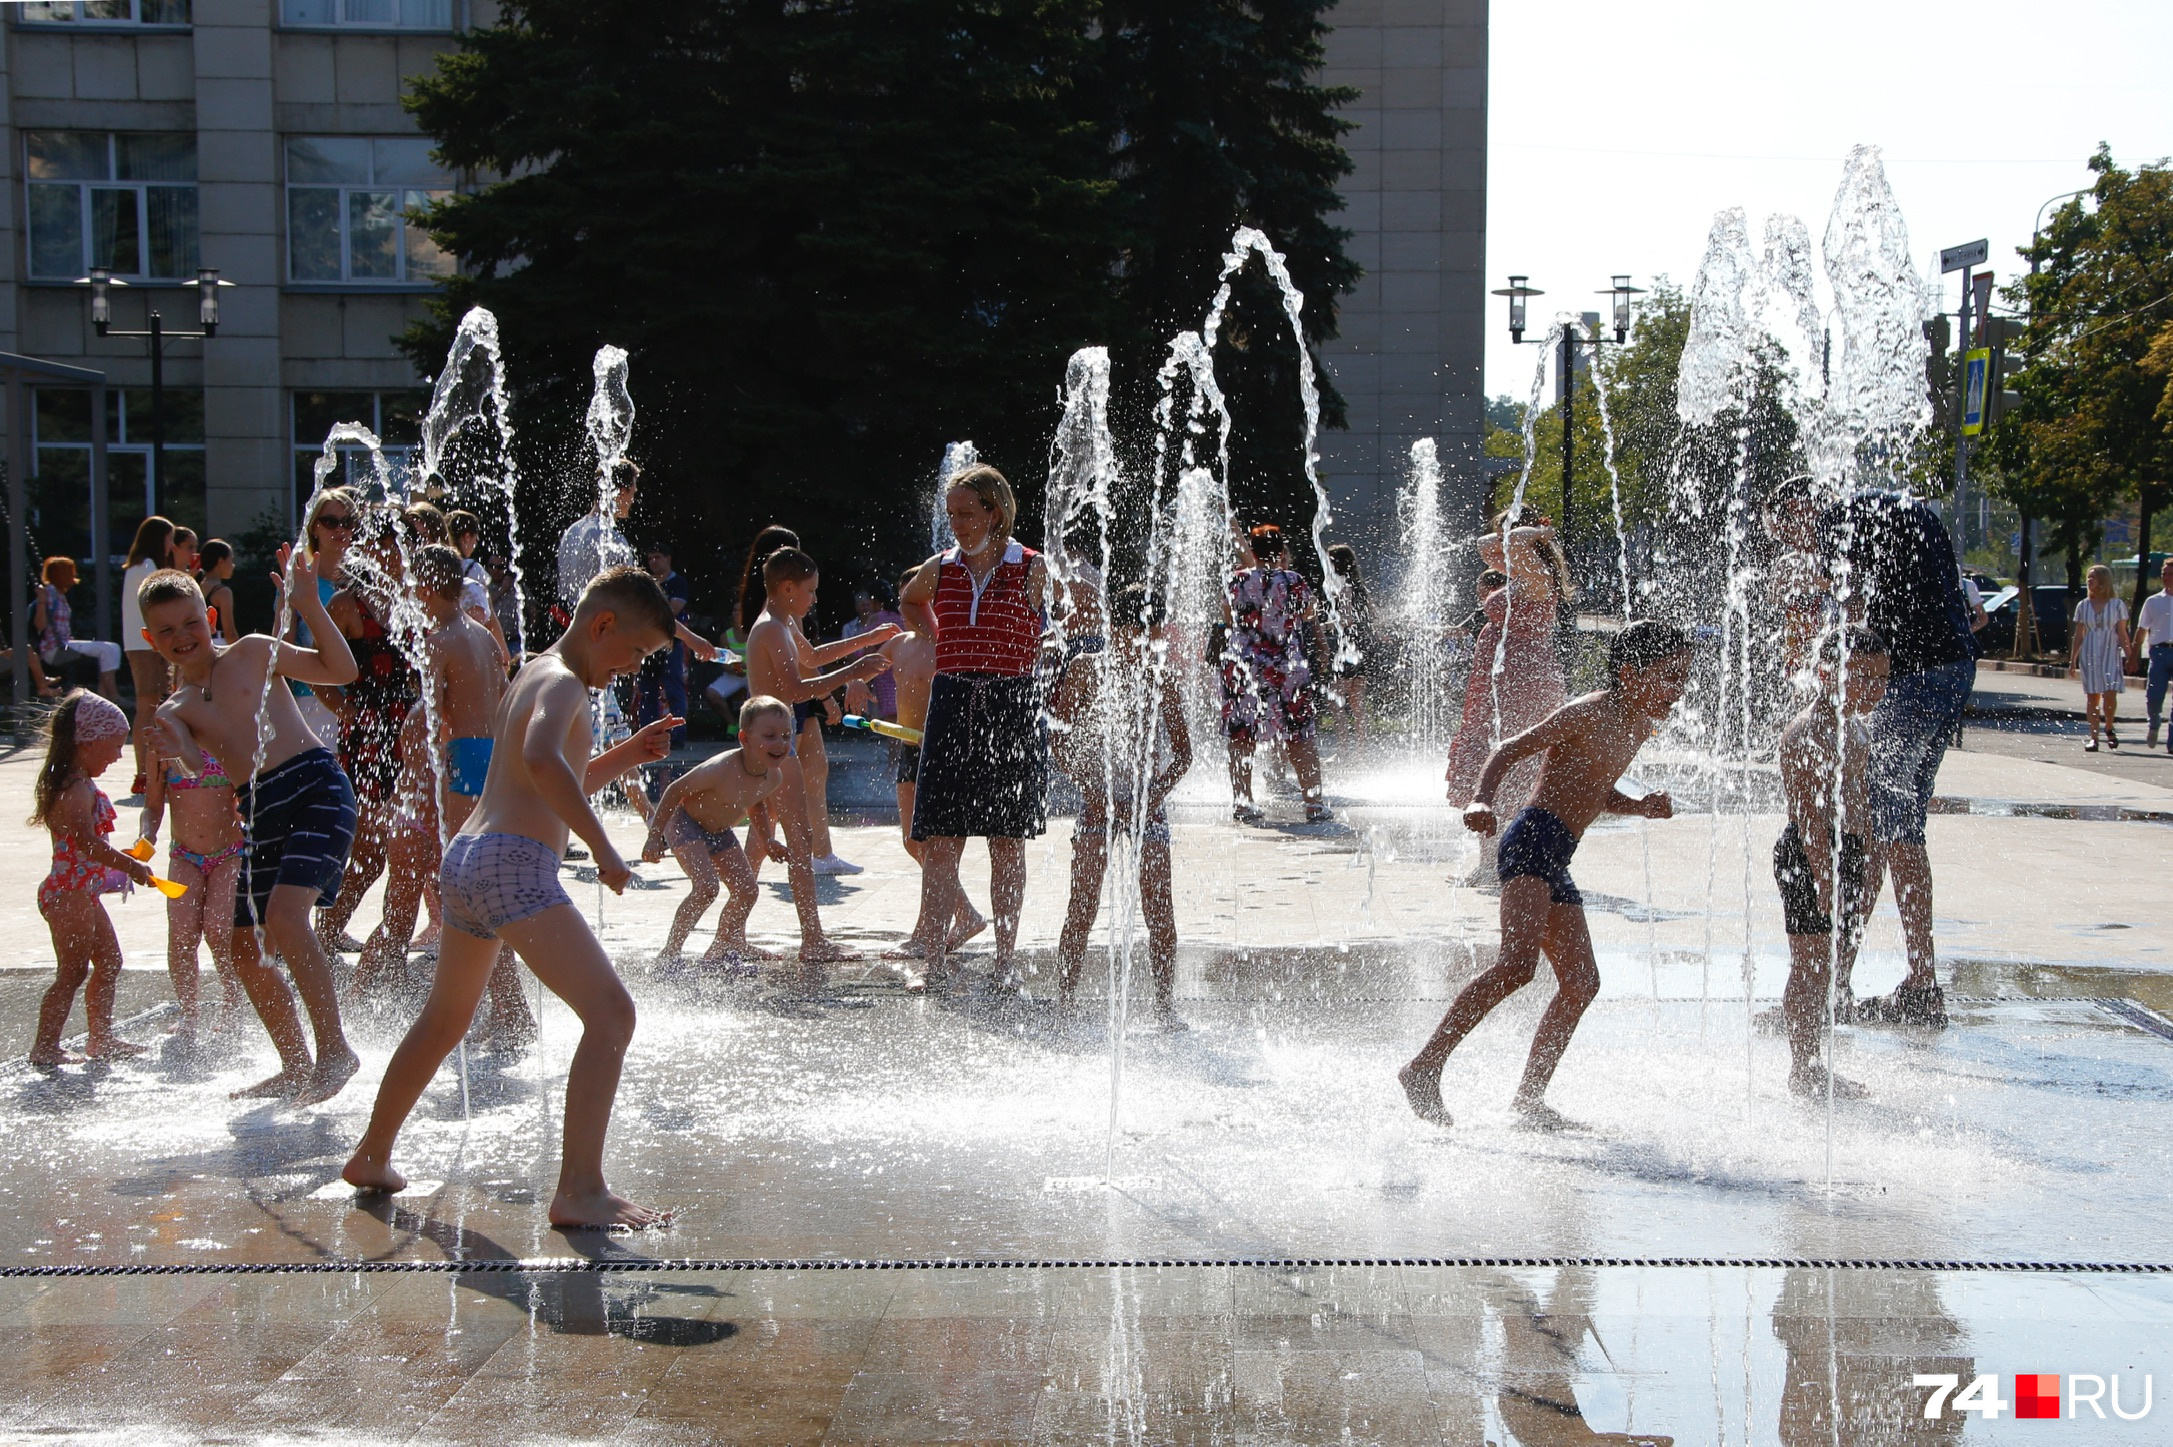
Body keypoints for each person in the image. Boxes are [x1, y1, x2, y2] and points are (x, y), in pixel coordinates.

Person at [341, 565, 681, 1230]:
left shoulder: (532, 671)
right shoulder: (563, 681)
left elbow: (549, 769)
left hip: (468, 859)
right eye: (635, 652)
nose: (633, 667)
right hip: (513, 866)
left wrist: (627, 755)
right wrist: (605, 850)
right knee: (612, 1015)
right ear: (602, 624)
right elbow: (542, 761)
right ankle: (580, 1187)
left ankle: (372, 1152)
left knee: (445, 1020)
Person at [1398, 620, 1690, 1130]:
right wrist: (1482, 798)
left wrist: (1639, 806)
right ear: (1630, 672)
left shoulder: (1639, 726)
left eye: (1684, 676)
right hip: (1531, 839)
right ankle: (1424, 1067)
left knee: (1582, 982)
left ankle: (1529, 1101)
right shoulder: (1587, 712)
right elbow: (1509, 748)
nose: (1679, 689)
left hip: (1557, 855)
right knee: (1516, 966)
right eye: (1670, 675)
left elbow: (1594, 789)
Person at [140, 559, 362, 1103]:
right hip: (259, 808)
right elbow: (196, 763)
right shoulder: (177, 708)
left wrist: (308, 604)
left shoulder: (254, 651)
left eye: (190, 622)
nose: (181, 637)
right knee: (245, 949)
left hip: (314, 788)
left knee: (285, 918)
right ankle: (294, 1064)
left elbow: (341, 671)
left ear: (209, 615)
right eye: (165, 631)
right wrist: (177, 750)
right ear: (149, 639)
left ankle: (335, 1050)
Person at [1803, 489, 1977, 1028]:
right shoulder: (1905, 509)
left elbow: (1851, 613)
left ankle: (1886, 987)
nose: (1797, 548)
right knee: (1891, 824)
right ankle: (1887, 982)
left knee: (1887, 825)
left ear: (1801, 512)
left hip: (1912, 676)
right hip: (1951, 668)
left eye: (1789, 534)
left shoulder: (1838, 519)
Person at [898, 465, 1050, 991]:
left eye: (967, 513)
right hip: (953, 700)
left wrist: (1043, 651)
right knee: (941, 840)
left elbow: (1070, 620)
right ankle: (936, 960)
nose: (958, 524)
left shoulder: (1031, 567)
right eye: (952, 515)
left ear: (995, 511)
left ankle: (1005, 962)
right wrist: (939, 634)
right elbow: (910, 600)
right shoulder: (941, 567)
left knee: (1007, 841)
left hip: (1011, 706)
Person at [744, 546, 893, 977]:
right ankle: (812, 939)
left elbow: (811, 658)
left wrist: (864, 643)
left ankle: (732, 933)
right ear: (787, 588)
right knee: (798, 838)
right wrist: (855, 671)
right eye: (809, 592)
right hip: (773, 746)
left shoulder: (784, 621)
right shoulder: (771, 629)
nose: (814, 599)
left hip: (770, 743)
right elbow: (795, 688)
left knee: (761, 841)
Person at [1052, 582, 1194, 1027]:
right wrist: (1086, 786)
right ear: (1114, 626)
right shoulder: (1085, 669)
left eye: (1145, 633)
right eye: (1129, 630)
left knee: (1159, 908)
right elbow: (1058, 737)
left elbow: (1184, 754)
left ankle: (1166, 1006)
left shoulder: (1160, 677)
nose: (1136, 641)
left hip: (1146, 805)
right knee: (1083, 905)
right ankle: (1065, 1001)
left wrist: (1155, 793)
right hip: (1096, 800)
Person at [1774, 626, 1890, 1097]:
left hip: (1845, 853)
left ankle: (1812, 1061)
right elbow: (1806, 816)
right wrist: (1825, 876)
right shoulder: (1808, 731)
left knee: (1830, 966)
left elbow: (1858, 800)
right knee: (1810, 965)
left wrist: (1870, 858)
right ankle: (1803, 1067)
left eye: (1881, 677)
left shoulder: (1854, 725)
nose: (1874, 688)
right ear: (1826, 673)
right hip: (1808, 856)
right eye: (1862, 676)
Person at [317, 510, 424, 954]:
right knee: (368, 854)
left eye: (402, 546)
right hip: (370, 741)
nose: (395, 555)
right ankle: (321, 937)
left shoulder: (416, 600)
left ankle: (390, 948)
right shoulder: (345, 604)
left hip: (413, 737)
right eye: (387, 546)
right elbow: (321, 674)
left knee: (410, 853)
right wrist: (349, 713)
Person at [28, 691, 154, 1066]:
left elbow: (90, 846)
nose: (118, 755)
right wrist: (130, 866)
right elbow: (85, 842)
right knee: (71, 972)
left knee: (110, 960)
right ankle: (45, 1046)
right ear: (87, 741)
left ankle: (101, 1038)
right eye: (114, 746)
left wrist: (121, 862)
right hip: (68, 895)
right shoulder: (74, 790)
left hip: (83, 893)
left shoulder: (81, 783)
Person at [1444, 509, 1571, 866]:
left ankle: (1509, 859)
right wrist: (1520, 533)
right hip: (1501, 681)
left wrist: (1533, 534)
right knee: (1494, 765)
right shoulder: (1518, 574)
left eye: (1510, 535)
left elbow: (1509, 542)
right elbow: (1486, 545)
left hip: (1524, 683)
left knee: (1512, 767)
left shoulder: (1538, 576)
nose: (1503, 544)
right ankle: (1491, 859)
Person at [879, 566, 986, 962]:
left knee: (931, 844)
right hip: (909, 748)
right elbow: (870, 666)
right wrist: (854, 685)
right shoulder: (899, 644)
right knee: (913, 841)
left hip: (936, 748)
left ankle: (925, 931)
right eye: (907, 603)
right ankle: (965, 913)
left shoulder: (948, 646)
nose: (912, 611)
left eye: (920, 603)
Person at [642, 695, 794, 972]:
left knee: (747, 891)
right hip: (685, 822)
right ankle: (670, 953)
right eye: (770, 736)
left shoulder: (773, 776)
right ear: (744, 738)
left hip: (719, 829)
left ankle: (722, 947)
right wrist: (655, 836)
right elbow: (674, 790)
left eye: (786, 735)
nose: (781, 744)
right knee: (706, 888)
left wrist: (768, 839)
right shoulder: (722, 768)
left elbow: (757, 802)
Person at [140, 688, 249, 1041]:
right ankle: (189, 1011)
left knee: (220, 931)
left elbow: (247, 797)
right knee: (182, 935)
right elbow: (153, 805)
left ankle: (233, 1005)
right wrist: (146, 838)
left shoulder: (227, 740)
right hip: (183, 854)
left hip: (230, 852)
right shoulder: (162, 749)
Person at [1221, 524, 1331, 825]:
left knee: (1242, 735)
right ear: (1281, 552)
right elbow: (1308, 614)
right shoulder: (1292, 579)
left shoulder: (1237, 580)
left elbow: (1227, 616)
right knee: (1299, 733)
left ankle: (1243, 802)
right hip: (1285, 666)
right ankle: (1314, 803)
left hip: (1245, 666)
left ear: (1253, 551)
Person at [287, 488, 358, 754]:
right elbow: (284, 644)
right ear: (314, 527)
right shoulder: (298, 579)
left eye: (348, 522)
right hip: (310, 700)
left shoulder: (364, 580)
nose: (340, 529)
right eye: (330, 522)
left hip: (360, 700)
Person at [120, 514, 180, 798]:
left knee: (149, 705)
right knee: (149, 705)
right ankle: (145, 773)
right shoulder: (148, 567)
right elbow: (159, 603)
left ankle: (146, 771)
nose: (171, 544)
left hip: (139, 642)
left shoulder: (136, 566)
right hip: (149, 644)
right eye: (169, 538)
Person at [554, 456, 642, 620]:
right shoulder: (613, 540)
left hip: (568, 629)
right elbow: (630, 600)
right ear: (622, 492)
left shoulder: (572, 531)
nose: (633, 500)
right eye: (633, 492)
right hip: (598, 634)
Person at [32, 557, 120, 701]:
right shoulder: (49, 594)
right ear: (62, 574)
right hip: (54, 648)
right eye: (71, 572)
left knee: (113, 648)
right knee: (107, 649)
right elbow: (40, 625)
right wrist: (41, 600)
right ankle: (113, 695)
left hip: (65, 643)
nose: (75, 576)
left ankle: (104, 695)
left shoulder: (60, 595)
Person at [2071, 564, 2130, 752]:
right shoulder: (2083, 605)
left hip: (2110, 652)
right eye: (2088, 577)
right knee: (2092, 696)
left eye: (2093, 577)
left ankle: (2109, 725)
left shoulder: (2116, 605)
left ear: (2103, 580)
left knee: (2110, 694)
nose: (2089, 580)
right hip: (2089, 653)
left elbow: (2122, 633)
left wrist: (2130, 656)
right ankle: (2093, 737)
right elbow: (2079, 634)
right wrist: (2072, 659)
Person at [1325, 543, 1375, 745]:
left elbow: (1346, 620)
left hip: (1348, 648)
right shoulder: (1360, 586)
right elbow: (1373, 615)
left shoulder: (1344, 587)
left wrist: (1323, 625)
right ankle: (1362, 749)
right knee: (1357, 702)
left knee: (1335, 700)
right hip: (1363, 646)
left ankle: (1343, 747)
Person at [446, 509, 511, 662]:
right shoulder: (472, 568)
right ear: (467, 536)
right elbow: (489, 612)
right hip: (473, 643)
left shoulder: (443, 566)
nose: (475, 544)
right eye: (476, 538)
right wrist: (504, 656)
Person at [2129, 555, 2173, 751]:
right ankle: (2154, 725)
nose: (2167, 578)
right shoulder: (2153, 601)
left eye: (2171, 574)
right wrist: (2133, 656)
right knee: (2154, 697)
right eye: (2164, 574)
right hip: (2159, 652)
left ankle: (2172, 743)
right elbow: (2141, 629)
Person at [196, 540, 238, 644]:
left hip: (198, 642)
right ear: (220, 562)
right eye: (231, 560)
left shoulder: (195, 586)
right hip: (219, 642)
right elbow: (230, 632)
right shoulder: (223, 592)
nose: (233, 565)